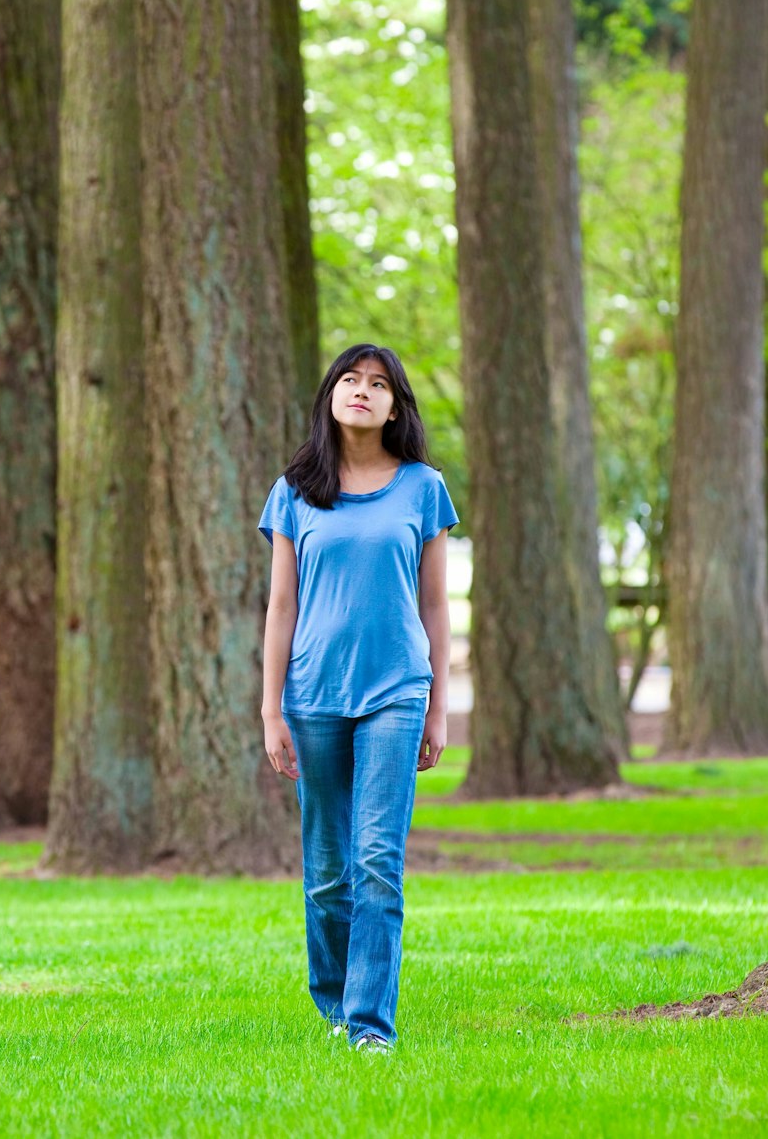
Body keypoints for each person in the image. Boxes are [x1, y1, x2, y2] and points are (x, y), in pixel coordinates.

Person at [258, 342, 457, 1054]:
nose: (362, 391)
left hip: (396, 693)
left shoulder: (423, 487)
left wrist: (438, 704)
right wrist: (269, 706)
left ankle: (371, 1026)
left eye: (378, 384)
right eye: (350, 379)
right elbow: (281, 606)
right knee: (327, 869)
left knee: (377, 858)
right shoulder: (296, 489)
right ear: (331, 396)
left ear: (396, 405)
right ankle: (337, 1002)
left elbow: (435, 606)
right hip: (312, 696)